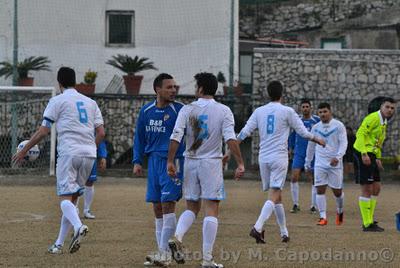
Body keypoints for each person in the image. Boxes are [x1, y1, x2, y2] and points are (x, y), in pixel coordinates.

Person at [12, 67, 105, 254]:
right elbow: (101, 132)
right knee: (72, 199)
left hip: (69, 153)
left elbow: (44, 130)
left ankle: (79, 226)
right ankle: (59, 244)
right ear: (75, 81)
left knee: (64, 198)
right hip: (89, 154)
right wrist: (90, 149)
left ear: (59, 83)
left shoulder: (57, 100)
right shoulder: (90, 102)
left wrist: (25, 150)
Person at [167, 72, 244, 268]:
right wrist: (240, 162)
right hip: (211, 163)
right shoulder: (224, 110)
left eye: (196, 86)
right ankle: (207, 259)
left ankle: (177, 236)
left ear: (200, 89)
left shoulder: (187, 109)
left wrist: (170, 161)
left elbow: (176, 136)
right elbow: (230, 139)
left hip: (190, 162)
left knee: (192, 206)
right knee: (212, 207)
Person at [236, 81, 325, 244]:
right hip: (279, 157)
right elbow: (303, 132)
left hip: (263, 158)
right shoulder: (287, 111)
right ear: (282, 94)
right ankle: (257, 227)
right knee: (275, 194)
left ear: (268, 94)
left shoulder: (259, 111)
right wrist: (317, 139)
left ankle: (284, 232)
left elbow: (244, 133)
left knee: (277, 196)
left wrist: (230, 150)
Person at [132, 73, 185, 266]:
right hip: (154, 161)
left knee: (168, 204)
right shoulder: (146, 111)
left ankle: (164, 254)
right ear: (158, 89)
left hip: (174, 162)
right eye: (169, 87)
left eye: (174, 87)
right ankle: (165, 251)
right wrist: (137, 161)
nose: (173, 90)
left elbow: (196, 132)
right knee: (156, 207)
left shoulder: (180, 110)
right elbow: (139, 137)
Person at [353, 97, 396, 232]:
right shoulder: (373, 118)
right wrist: (364, 154)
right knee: (367, 188)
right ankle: (367, 224)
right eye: (387, 107)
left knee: (376, 187)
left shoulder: (384, 122)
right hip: (362, 151)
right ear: (381, 107)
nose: (390, 110)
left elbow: (377, 141)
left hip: (372, 154)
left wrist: (377, 157)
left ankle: (370, 219)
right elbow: (360, 133)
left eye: (392, 108)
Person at [305, 103, 347, 226]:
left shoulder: (339, 126)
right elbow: (311, 145)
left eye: (325, 111)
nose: (323, 114)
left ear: (330, 112)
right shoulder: (316, 127)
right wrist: (308, 162)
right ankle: (323, 217)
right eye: (320, 112)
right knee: (320, 189)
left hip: (335, 164)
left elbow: (343, 143)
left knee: (337, 192)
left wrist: (338, 157)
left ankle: (340, 211)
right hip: (320, 163)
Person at [288, 98, 320, 214]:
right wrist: (290, 148)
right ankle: (296, 204)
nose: (305, 109)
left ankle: (313, 205)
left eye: (307, 106)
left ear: (311, 108)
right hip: (299, 153)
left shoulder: (316, 120)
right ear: (300, 109)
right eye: (303, 107)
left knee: (314, 179)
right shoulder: (297, 121)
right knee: (294, 177)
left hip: (313, 154)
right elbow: (292, 135)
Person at [80, 141, 107, 219]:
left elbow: (100, 134)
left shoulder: (93, 128)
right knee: (76, 181)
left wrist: (102, 156)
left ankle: (86, 210)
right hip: (75, 153)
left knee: (89, 182)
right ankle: (74, 209)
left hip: (90, 155)